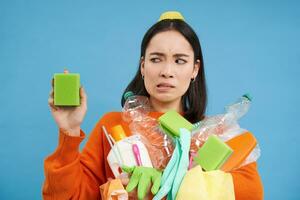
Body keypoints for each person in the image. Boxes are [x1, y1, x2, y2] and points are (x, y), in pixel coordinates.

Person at [43, 11, 263, 200]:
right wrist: (69, 132)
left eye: (180, 60)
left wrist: (167, 185)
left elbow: (251, 192)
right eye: (156, 59)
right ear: (142, 65)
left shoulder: (217, 134)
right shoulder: (112, 126)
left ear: (195, 69)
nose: (166, 71)